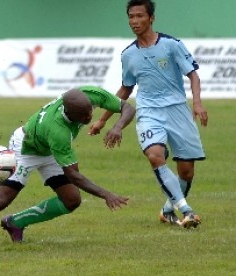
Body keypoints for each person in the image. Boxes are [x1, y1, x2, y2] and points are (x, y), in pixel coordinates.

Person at [0, 86, 135, 248]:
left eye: (90, 112)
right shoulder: (58, 130)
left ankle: (16, 222)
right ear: (70, 114)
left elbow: (128, 107)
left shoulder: (89, 94)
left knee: (71, 200)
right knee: (2, 200)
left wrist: (116, 126)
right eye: (84, 117)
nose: (89, 117)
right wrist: (106, 194)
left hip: (49, 150)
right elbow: (74, 175)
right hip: (26, 149)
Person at [89, 0, 208, 229]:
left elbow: (193, 74)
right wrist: (102, 120)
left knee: (186, 171)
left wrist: (198, 103)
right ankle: (187, 211)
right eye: (131, 17)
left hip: (177, 111)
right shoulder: (128, 54)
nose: (135, 21)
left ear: (151, 18)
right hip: (148, 111)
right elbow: (125, 89)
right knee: (155, 155)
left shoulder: (172, 45)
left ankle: (166, 210)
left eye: (140, 16)